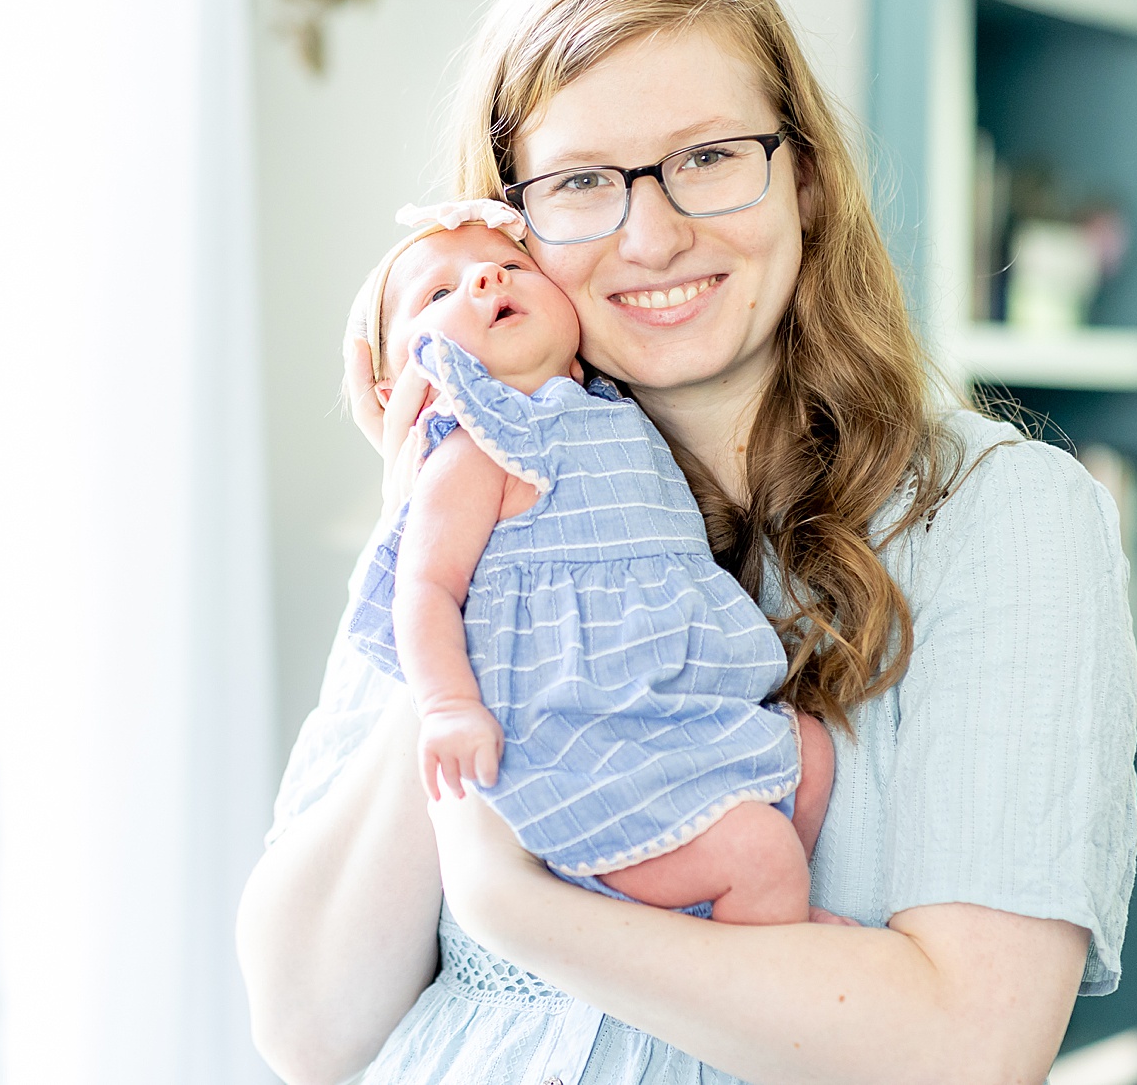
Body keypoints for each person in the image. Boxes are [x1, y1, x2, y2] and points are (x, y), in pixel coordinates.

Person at [237, 0, 1137, 1085]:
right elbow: (307, 1026)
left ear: (803, 176)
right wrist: (461, 568)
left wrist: (519, 910)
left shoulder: (1000, 519)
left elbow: (964, 1046)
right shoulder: (453, 512)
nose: (652, 232)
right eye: (579, 182)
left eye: (709, 157)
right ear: (503, 230)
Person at [347, 203, 835, 924]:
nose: (486, 278)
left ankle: (749, 910)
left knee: (812, 754)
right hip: (583, 733)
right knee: (757, 847)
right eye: (440, 294)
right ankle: (761, 918)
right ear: (402, 391)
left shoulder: (611, 411)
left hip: (670, 703)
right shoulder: (473, 450)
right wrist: (448, 705)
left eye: (512, 267)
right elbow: (425, 588)